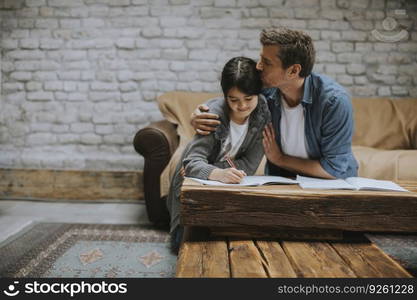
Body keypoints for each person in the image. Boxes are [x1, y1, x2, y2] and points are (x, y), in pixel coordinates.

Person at [191, 27, 358, 180]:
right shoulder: (266, 91)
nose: (258, 66)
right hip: (280, 179)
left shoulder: (333, 102)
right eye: (260, 58)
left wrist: (280, 159)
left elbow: (334, 169)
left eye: (267, 62)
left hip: (331, 185)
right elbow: (235, 96)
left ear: (293, 71)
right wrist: (199, 114)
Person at [167, 57, 271, 253]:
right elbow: (190, 164)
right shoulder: (212, 115)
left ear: (258, 93)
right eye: (234, 100)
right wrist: (217, 174)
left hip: (223, 186)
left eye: (249, 99)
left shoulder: (263, 112)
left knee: (238, 246)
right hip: (192, 190)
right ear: (225, 96)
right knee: (186, 248)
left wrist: (212, 171)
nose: (242, 106)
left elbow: (249, 164)